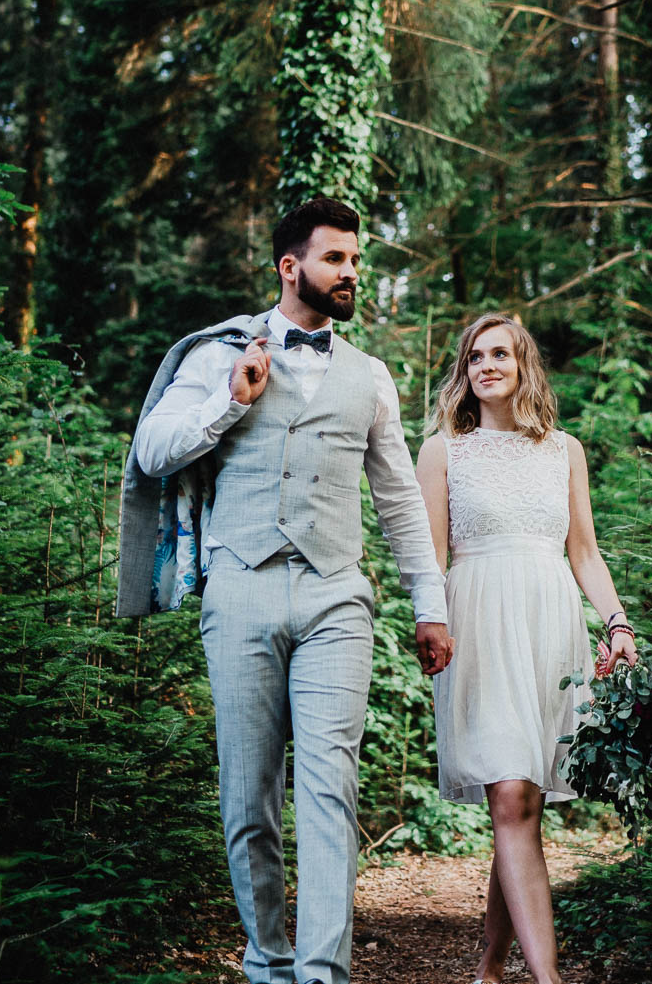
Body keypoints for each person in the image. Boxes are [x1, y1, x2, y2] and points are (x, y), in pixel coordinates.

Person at [118, 197, 452, 984]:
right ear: (289, 266)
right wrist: (230, 400)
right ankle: (267, 959)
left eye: (356, 261)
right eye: (335, 259)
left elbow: (400, 498)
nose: (350, 274)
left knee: (330, 789)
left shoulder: (370, 377)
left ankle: (321, 973)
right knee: (248, 800)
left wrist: (429, 605)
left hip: (338, 597)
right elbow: (151, 449)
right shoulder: (219, 353)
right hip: (239, 592)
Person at [417, 312, 638, 984]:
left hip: (549, 625)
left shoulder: (563, 450)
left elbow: (585, 552)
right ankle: (549, 978)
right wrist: (430, 623)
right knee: (510, 794)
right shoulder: (443, 450)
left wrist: (618, 622)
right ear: (465, 370)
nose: (487, 364)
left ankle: (489, 965)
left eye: (501, 354)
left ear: (523, 366)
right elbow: (430, 557)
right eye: (476, 355)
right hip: (478, 624)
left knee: (524, 803)